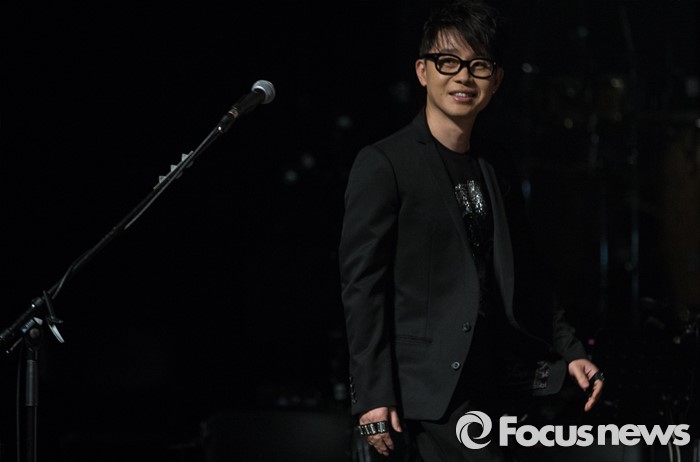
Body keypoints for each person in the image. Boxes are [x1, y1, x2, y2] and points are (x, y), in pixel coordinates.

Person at [338, 0, 604, 460]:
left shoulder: (495, 164)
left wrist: (571, 349)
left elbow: (529, 271)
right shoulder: (385, 163)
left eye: (478, 65)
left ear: (495, 80)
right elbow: (362, 287)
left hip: (496, 384)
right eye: (448, 61)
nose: (463, 76)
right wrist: (372, 395)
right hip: (422, 396)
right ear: (423, 71)